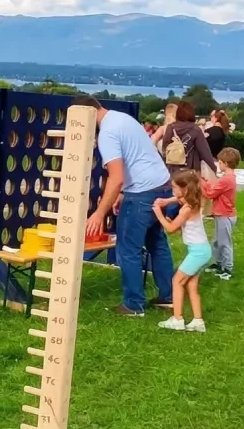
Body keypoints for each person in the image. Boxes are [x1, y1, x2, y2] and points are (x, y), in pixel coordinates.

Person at [70, 95, 173, 318]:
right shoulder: (122, 119)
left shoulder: (107, 133)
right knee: (157, 243)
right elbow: (136, 160)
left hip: (142, 194)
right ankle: (168, 296)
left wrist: (99, 213)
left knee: (128, 249)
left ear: (86, 113)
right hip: (162, 186)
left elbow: (115, 177)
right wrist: (123, 193)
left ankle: (134, 305)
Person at [155, 171, 212, 332]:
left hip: (197, 252)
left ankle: (177, 319)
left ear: (184, 188)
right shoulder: (195, 200)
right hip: (202, 250)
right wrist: (167, 201)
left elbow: (171, 229)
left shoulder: (186, 209)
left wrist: (159, 213)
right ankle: (197, 321)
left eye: (174, 187)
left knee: (177, 281)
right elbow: (180, 199)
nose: (173, 191)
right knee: (191, 285)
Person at [203, 145, 240, 280]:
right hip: (222, 214)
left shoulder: (226, 179)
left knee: (225, 243)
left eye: (220, 162)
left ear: (225, 163)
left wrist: (203, 184)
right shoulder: (229, 177)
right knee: (217, 242)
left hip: (225, 215)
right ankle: (219, 264)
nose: (218, 164)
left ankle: (227, 268)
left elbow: (210, 193)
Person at [157, 100, 218, 179]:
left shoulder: (170, 127)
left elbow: (165, 148)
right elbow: (205, 152)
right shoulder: (196, 130)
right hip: (190, 170)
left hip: (173, 170)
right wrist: (214, 168)